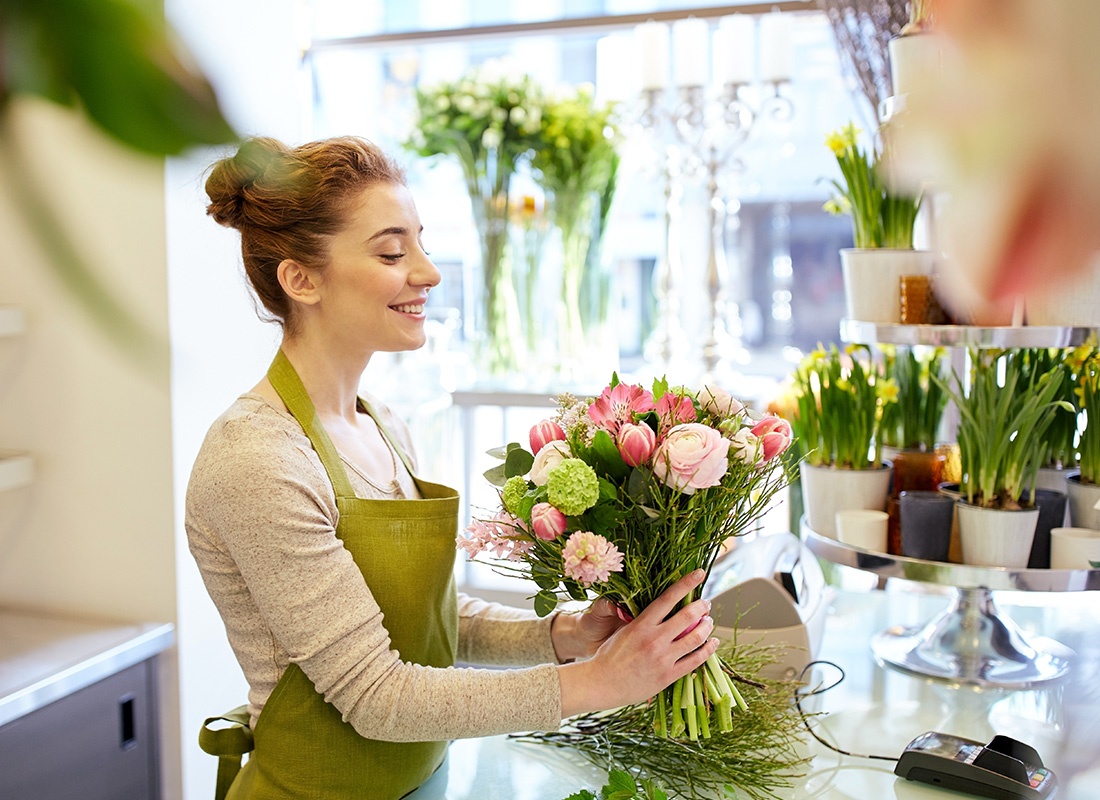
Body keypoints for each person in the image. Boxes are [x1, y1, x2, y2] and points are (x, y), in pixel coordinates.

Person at [186, 135, 720, 800]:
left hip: (425, 781)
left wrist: (566, 636)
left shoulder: (379, 422)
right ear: (301, 279)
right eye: (391, 251)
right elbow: (377, 695)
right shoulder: (257, 458)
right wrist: (602, 682)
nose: (429, 272)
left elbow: (431, 623)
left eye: (420, 242)